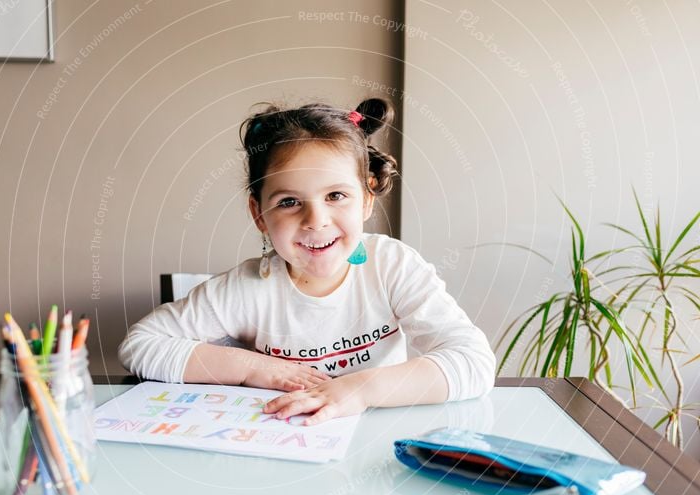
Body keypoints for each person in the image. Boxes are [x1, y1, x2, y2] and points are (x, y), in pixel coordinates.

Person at [118, 97, 496, 425]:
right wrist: (253, 367)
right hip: (284, 442)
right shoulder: (247, 288)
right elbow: (140, 345)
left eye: (335, 195)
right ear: (260, 214)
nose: (316, 219)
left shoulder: (392, 266)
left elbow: (473, 363)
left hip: (378, 442)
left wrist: (358, 390)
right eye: (289, 201)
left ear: (366, 199)